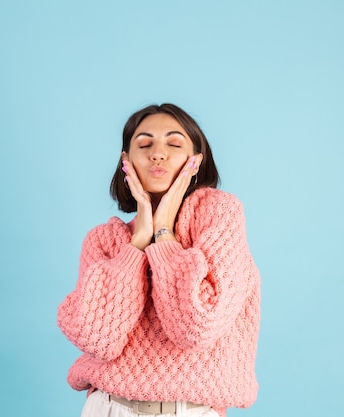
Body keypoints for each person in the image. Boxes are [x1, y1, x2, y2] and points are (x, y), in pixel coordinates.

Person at [57, 103, 261, 417]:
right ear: (126, 161)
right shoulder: (104, 240)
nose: (158, 153)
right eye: (144, 144)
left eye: (175, 143)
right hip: (107, 408)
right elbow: (99, 340)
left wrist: (164, 232)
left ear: (196, 162)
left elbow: (196, 328)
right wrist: (138, 243)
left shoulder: (219, 216)